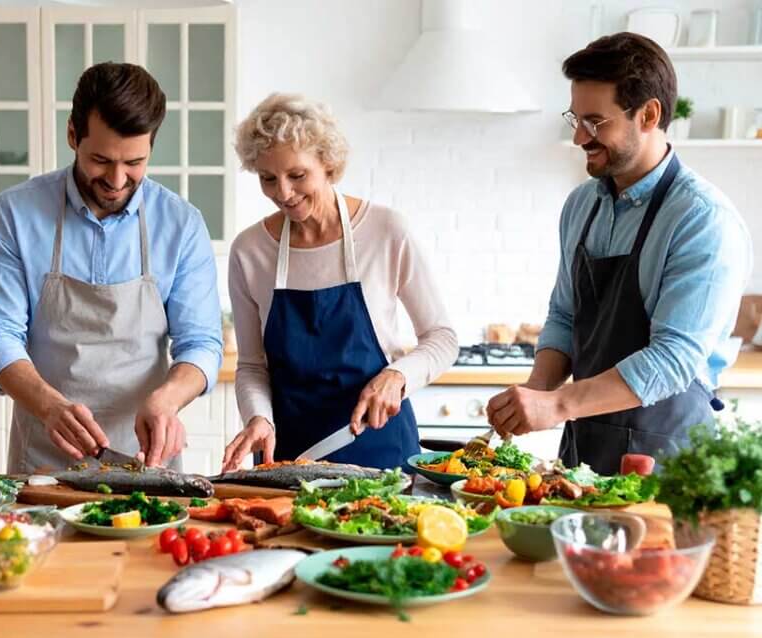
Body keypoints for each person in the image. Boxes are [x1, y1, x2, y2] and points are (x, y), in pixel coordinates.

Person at [487, 33, 751, 475]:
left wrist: (558, 404)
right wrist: (534, 393)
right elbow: (566, 317)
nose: (578, 137)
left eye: (594, 121)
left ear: (648, 115)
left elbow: (673, 360)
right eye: (575, 118)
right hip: (583, 451)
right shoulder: (581, 205)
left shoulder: (702, 219)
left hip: (667, 461)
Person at [0, 63, 223, 473]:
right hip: (45, 456)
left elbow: (201, 343)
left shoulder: (181, 223)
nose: (117, 179)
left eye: (134, 162)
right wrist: (50, 405)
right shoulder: (15, 213)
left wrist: (169, 399)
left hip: (147, 459)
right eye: (101, 160)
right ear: (72, 135)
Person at [222, 94, 458, 472]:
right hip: (288, 456)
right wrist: (258, 419)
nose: (282, 193)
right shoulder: (250, 251)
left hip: (381, 451)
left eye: (297, 175)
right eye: (268, 178)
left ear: (329, 165)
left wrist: (398, 377)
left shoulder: (385, 231)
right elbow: (252, 365)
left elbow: (442, 338)